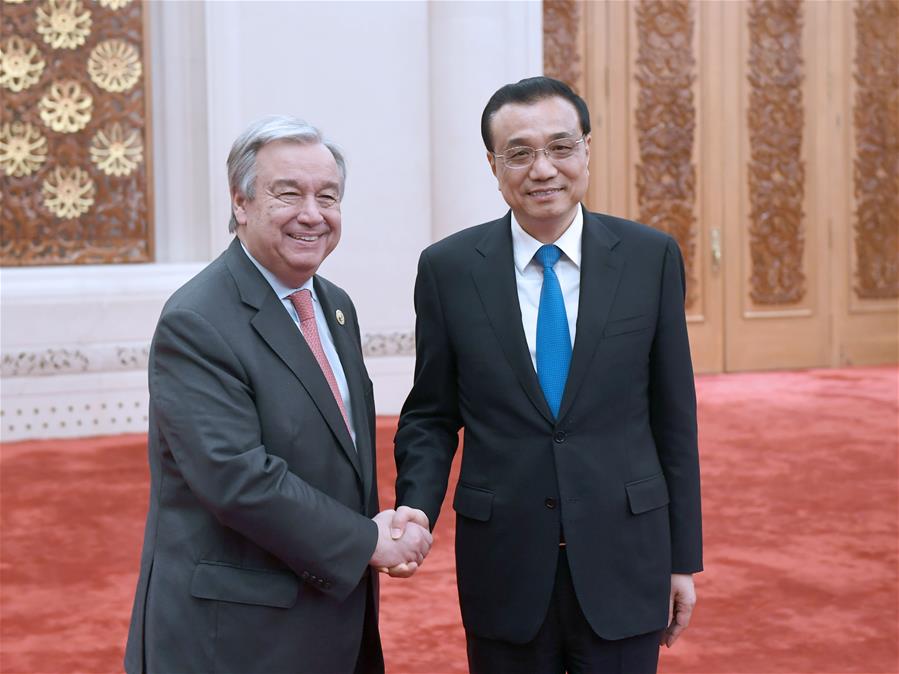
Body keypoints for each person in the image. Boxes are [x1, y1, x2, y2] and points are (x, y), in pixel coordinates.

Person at [392, 77, 703, 674]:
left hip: (626, 558)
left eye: (561, 147)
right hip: (504, 563)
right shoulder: (449, 270)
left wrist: (681, 558)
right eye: (520, 152)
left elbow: (674, 419)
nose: (543, 169)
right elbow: (431, 413)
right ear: (493, 165)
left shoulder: (649, 257)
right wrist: (416, 509)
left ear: (586, 150)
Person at [124, 115, 432, 674]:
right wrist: (364, 540)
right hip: (238, 636)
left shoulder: (333, 305)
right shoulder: (197, 320)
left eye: (328, 196)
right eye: (288, 194)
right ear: (240, 202)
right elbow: (237, 478)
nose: (312, 214)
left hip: (328, 615)